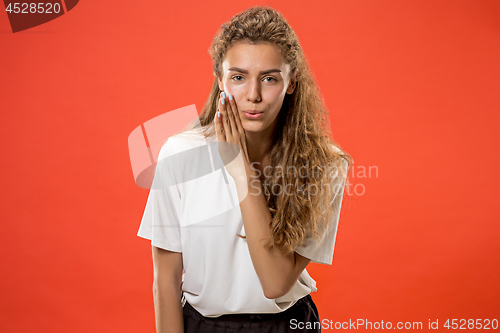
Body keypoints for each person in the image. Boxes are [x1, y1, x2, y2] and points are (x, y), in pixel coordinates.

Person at [137, 6, 353, 333]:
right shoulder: (180, 153)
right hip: (203, 325)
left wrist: (239, 167)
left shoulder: (325, 165)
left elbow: (275, 282)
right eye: (238, 77)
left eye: (269, 78)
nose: (253, 96)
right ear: (220, 80)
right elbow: (165, 280)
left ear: (292, 82)